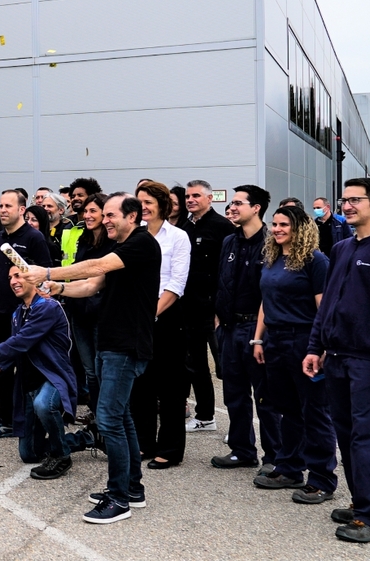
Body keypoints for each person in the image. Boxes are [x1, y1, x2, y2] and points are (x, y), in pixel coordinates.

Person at [30, 194, 162, 525]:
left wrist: (47, 270)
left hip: (126, 346)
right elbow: (91, 284)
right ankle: (132, 489)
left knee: (109, 420)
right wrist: (56, 288)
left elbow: (96, 266)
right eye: (104, 215)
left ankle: (119, 499)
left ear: (132, 217)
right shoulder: (122, 249)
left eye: (111, 215)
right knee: (121, 417)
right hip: (111, 342)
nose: (105, 220)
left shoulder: (142, 244)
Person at [303, 178, 370, 543]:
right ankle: (364, 501)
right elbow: (328, 304)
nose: (347, 206)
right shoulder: (344, 247)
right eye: (343, 200)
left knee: (368, 439)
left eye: (355, 200)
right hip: (337, 358)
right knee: (347, 436)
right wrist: (315, 347)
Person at [250, 206, 336, 502]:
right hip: (274, 341)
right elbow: (265, 301)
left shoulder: (315, 261)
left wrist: (319, 347)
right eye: (274, 224)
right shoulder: (272, 258)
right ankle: (290, 468)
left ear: (299, 228)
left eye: (284, 224)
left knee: (314, 411)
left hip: (303, 341)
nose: (276, 229)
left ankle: (322, 479)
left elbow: (324, 309)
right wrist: (258, 340)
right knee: (287, 409)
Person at [0, 265, 77, 480]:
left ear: (33, 277)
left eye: (19, 275)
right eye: (10, 277)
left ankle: (62, 455)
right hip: (29, 383)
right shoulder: (18, 312)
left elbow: (19, 342)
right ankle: (80, 439)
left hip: (53, 377)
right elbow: (14, 352)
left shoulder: (48, 307)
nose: (13, 281)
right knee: (29, 454)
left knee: (44, 404)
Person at [211, 185, 283, 471]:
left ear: (256, 208)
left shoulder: (272, 241)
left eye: (239, 203)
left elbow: (272, 292)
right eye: (232, 202)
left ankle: (274, 457)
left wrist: (260, 336)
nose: (233, 207)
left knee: (266, 396)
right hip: (229, 328)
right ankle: (242, 450)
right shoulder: (230, 241)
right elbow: (221, 281)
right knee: (234, 394)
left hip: (258, 329)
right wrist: (218, 319)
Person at [129, 181, 191, 469]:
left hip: (166, 318)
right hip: (136, 317)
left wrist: (150, 313)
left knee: (170, 387)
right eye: (139, 201)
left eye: (148, 202)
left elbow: (176, 283)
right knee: (141, 384)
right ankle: (144, 443)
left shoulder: (178, 237)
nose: (143, 207)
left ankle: (170, 448)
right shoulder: (133, 237)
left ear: (162, 205)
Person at [0, 190, 51, 439]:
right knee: (1, 367)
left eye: (8, 205)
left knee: (26, 370)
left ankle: (29, 422)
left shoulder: (34, 238)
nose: (2, 210)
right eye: (0, 205)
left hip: (25, 316)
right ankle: (6, 420)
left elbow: (46, 277)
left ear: (22, 209)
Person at [182, 179, 234, 433]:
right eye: (187, 196)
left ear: (209, 198)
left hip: (214, 310)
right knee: (195, 364)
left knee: (226, 367)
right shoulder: (185, 228)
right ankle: (205, 416)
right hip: (190, 307)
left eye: (195, 196)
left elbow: (227, 271)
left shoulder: (222, 227)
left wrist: (220, 308)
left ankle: (238, 425)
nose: (190, 200)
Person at [62, 193, 114, 422]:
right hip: (79, 312)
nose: (88, 215)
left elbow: (94, 275)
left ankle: (106, 416)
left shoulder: (113, 243)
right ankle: (96, 412)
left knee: (102, 369)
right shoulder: (83, 239)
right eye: (86, 211)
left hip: (102, 315)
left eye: (93, 211)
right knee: (90, 371)